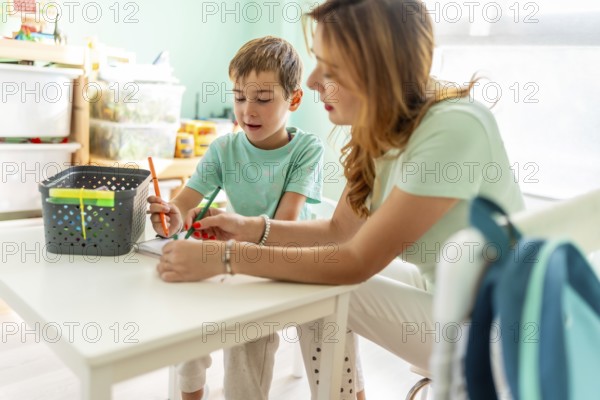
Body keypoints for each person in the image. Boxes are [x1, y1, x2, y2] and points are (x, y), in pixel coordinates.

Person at [156, 0, 525, 398]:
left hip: (494, 326)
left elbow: (353, 262)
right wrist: (250, 228)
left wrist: (223, 258)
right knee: (317, 275)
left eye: (330, 70)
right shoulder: (381, 123)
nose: (313, 81)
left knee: (321, 287)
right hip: (445, 287)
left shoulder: (452, 127)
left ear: (376, 71)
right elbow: (339, 231)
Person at [147, 36, 324, 400]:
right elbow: (183, 205)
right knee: (187, 312)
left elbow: (284, 226)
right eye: (239, 97)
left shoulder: (307, 149)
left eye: (262, 99)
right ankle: (191, 393)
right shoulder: (224, 148)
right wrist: (171, 216)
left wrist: (230, 236)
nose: (248, 111)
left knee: (246, 335)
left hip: (287, 260)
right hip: (237, 258)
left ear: (294, 99)